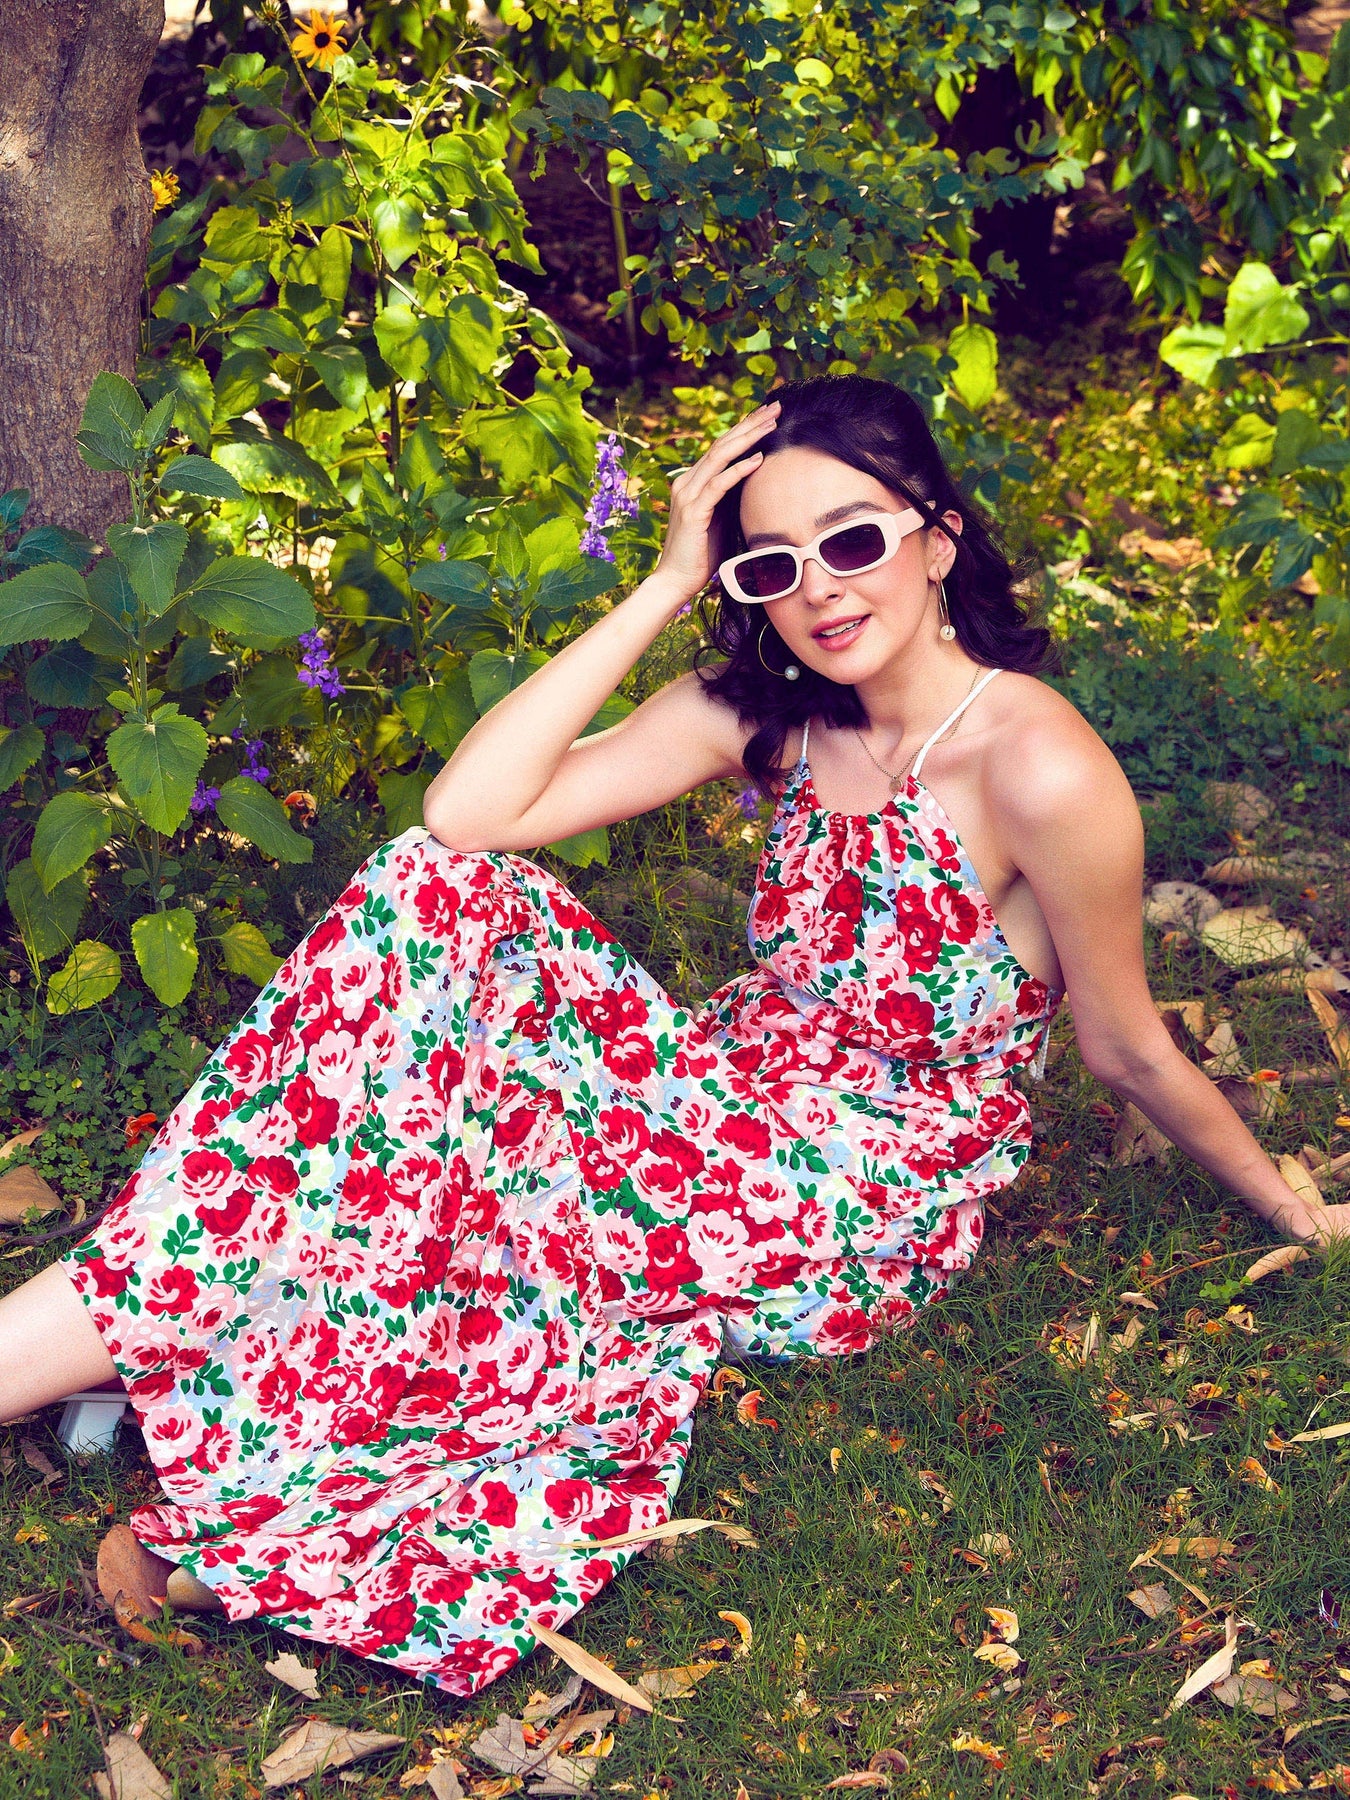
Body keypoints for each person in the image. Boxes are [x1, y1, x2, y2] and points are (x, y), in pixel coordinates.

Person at [0, 375, 1342, 1697]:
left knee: (410, 1137)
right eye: (772, 564)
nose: (820, 592)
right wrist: (658, 586)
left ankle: (118, 1332)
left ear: (937, 539)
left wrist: (1291, 1210)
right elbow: (468, 817)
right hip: (716, 1089)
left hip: (852, 1192)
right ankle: (132, 1319)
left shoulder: (1036, 765)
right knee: (436, 898)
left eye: (854, 542)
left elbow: (1124, 1046)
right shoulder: (773, 714)